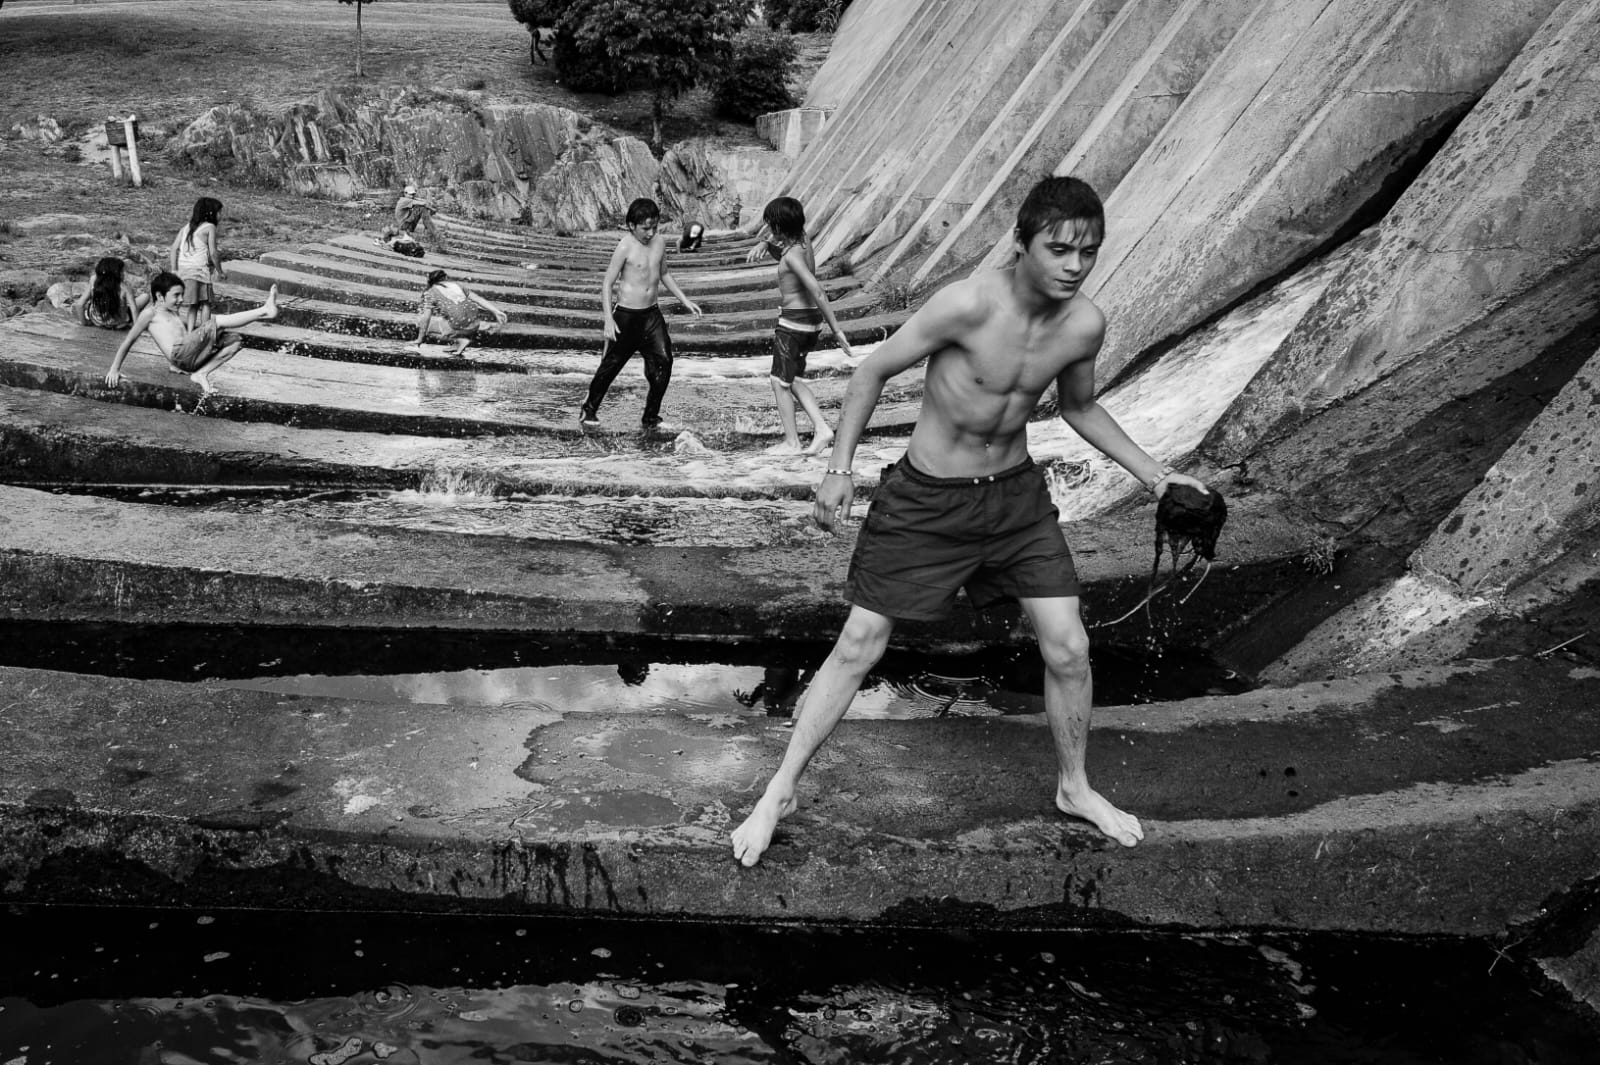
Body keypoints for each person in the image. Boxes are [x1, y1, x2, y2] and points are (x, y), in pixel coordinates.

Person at [730, 177, 1211, 867]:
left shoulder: (1083, 324)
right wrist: (840, 467)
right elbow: (871, 374)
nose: (1075, 265)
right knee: (861, 640)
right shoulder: (966, 302)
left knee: (1069, 647)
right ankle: (780, 789)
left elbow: (1080, 408)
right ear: (1022, 244)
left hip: (1014, 500)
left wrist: (1158, 474)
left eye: (1090, 252)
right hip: (927, 498)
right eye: (1060, 249)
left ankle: (1075, 786)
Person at [580, 198, 703, 430]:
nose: (650, 232)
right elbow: (607, 283)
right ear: (631, 226)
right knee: (610, 366)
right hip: (626, 316)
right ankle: (589, 409)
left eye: (654, 227)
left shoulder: (659, 242)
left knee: (665, 361)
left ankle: (650, 416)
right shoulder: (625, 246)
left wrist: (684, 299)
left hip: (651, 316)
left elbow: (664, 274)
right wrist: (608, 318)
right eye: (645, 228)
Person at [749, 196, 856, 455]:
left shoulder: (792, 257)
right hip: (809, 324)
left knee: (779, 381)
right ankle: (822, 430)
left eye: (770, 226)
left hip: (794, 324)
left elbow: (818, 292)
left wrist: (838, 330)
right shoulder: (803, 241)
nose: (769, 230)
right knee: (793, 378)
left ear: (778, 227)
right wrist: (766, 244)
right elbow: (785, 255)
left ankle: (792, 442)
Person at [102, 272, 278, 394]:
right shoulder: (150, 313)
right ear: (159, 296)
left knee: (235, 341)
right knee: (216, 322)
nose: (181, 300)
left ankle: (201, 374)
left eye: (182, 295)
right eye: (176, 295)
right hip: (180, 354)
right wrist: (114, 369)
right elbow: (128, 341)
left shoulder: (172, 311)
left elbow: (177, 338)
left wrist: (175, 367)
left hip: (187, 359)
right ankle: (264, 311)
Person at [410, 269, 508, 357]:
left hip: (459, 324)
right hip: (475, 324)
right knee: (450, 317)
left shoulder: (430, 292)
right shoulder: (457, 285)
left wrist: (420, 338)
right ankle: (456, 345)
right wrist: (496, 311)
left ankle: (460, 341)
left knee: (424, 326)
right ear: (446, 278)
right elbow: (477, 299)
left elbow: (426, 317)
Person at [169, 196, 224, 330]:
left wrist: (174, 269)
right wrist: (220, 271)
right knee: (206, 303)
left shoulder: (186, 227)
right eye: (219, 212)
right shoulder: (210, 227)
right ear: (210, 213)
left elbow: (174, 248)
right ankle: (205, 332)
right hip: (199, 271)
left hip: (184, 271)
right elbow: (213, 253)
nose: (221, 216)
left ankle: (189, 333)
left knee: (194, 305)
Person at [74, 256, 148, 330]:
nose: (124, 274)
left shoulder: (94, 280)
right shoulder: (125, 288)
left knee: (94, 301)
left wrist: (85, 323)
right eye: (122, 271)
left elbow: (79, 305)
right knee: (145, 296)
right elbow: (134, 310)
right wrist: (136, 329)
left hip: (97, 321)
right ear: (115, 274)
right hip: (118, 324)